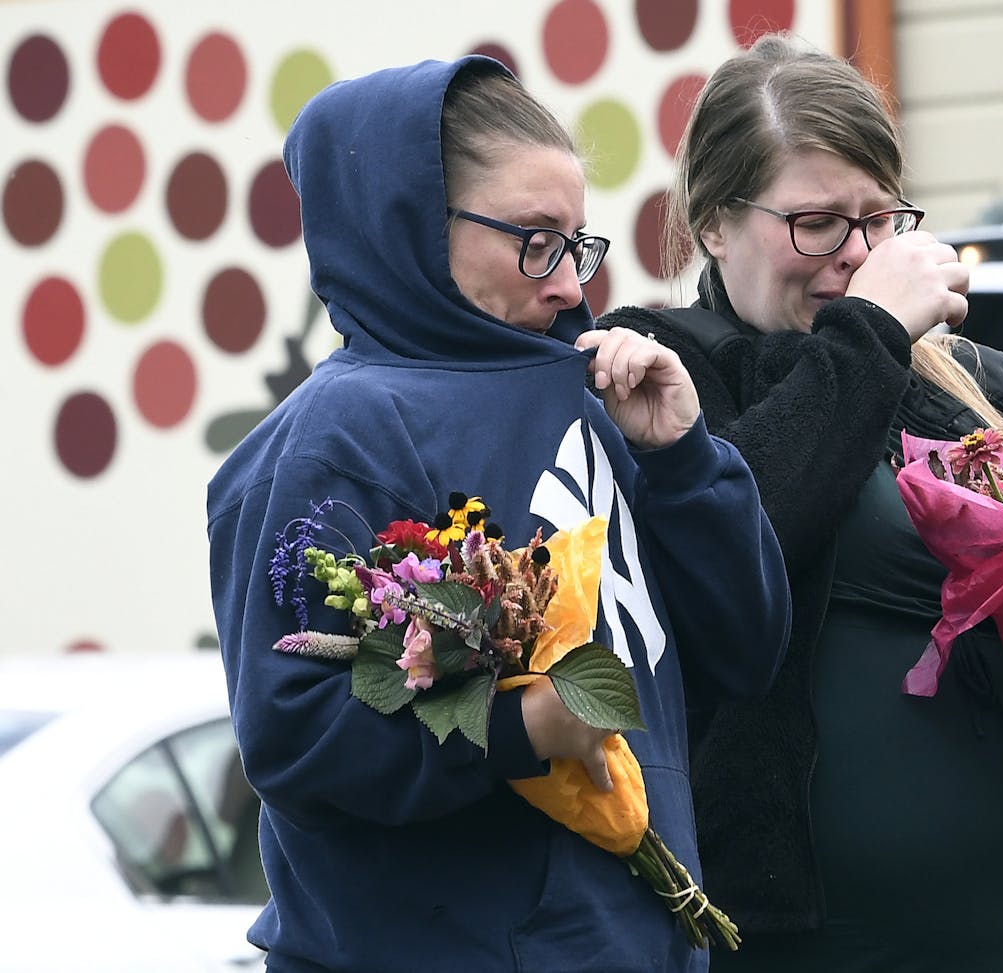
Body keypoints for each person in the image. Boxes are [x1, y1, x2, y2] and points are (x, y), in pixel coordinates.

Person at [598, 34, 1003, 972]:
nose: (858, 255)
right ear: (714, 223)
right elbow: (726, 543)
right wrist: (870, 330)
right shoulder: (661, 368)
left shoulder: (988, 384)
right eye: (818, 223)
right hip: (801, 930)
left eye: (882, 219)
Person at [206, 56, 791, 973]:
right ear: (407, 225)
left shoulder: (596, 396)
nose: (569, 284)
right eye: (534, 239)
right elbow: (296, 736)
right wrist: (519, 730)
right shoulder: (338, 434)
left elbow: (747, 649)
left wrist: (683, 458)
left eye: (577, 244)